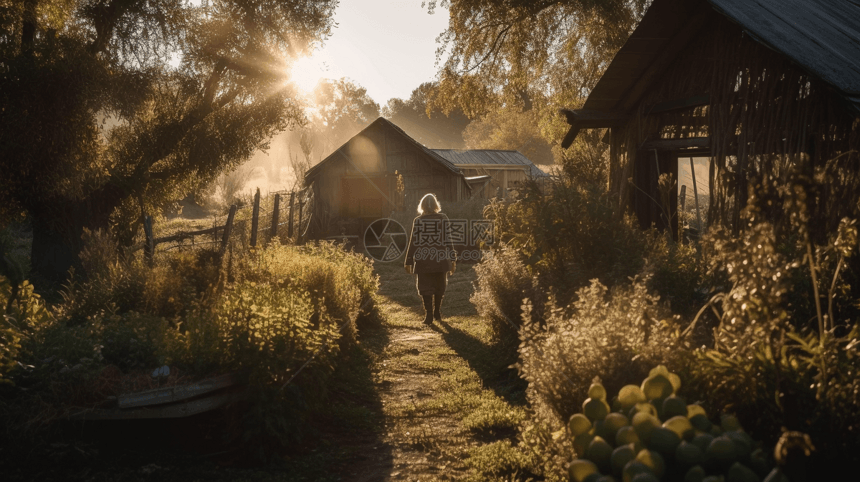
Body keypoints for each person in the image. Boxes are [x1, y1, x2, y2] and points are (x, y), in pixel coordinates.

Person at [404, 193, 456, 325]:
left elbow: (413, 242)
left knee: (425, 287)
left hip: (423, 260)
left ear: (422, 206)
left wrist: (408, 261)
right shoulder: (443, 218)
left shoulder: (418, 220)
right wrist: (453, 259)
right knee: (440, 286)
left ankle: (429, 315)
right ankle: (437, 312)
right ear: (436, 205)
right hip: (441, 259)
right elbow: (448, 240)